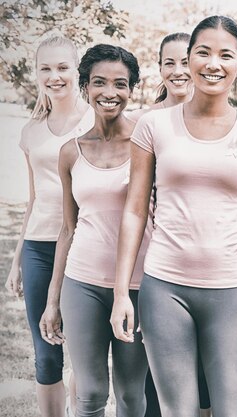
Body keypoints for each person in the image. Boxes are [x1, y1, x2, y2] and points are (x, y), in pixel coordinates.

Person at [110, 15, 237, 417]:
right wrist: (120, 294)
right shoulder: (153, 126)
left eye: (226, 55)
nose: (213, 63)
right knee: (177, 412)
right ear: (187, 59)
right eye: (203, 52)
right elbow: (134, 211)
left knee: (232, 412)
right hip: (164, 289)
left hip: (231, 291)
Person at [38, 43, 148, 417]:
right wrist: (53, 300)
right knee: (89, 394)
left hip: (137, 284)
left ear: (132, 89)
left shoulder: (147, 145)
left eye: (121, 83)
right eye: (99, 82)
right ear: (85, 86)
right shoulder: (71, 151)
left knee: (132, 395)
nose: (110, 93)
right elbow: (67, 228)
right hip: (81, 282)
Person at [4, 35, 94, 417]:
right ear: (36, 73)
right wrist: (17, 258)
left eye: (62, 67)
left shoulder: (97, 120)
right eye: (46, 68)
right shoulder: (31, 131)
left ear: (77, 70)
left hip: (86, 245)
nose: (54, 76)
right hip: (40, 248)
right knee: (46, 353)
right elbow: (34, 199)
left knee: (83, 352)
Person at [127, 32, 193, 123]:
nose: (177, 72)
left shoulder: (215, 119)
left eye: (186, 63)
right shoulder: (138, 119)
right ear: (160, 68)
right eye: (170, 63)